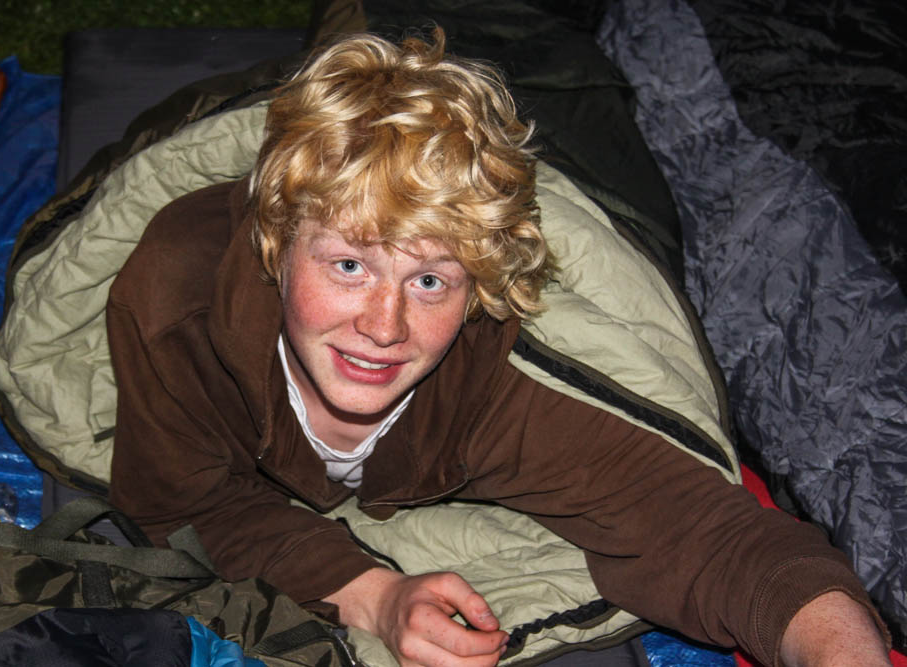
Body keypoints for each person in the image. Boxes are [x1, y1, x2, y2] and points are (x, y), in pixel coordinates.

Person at [105, 28, 892, 667]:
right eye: (349, 265)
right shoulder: (176, 308)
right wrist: (375, 594)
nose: (385, 326)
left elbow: (717, 541)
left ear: (476, 286)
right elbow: (182, 505)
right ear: (278, 245)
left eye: (430, 281)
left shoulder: (497, 390)